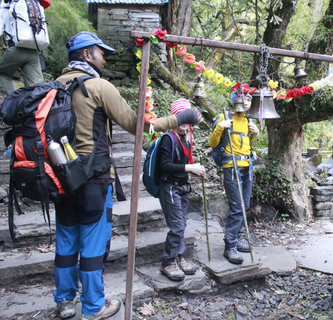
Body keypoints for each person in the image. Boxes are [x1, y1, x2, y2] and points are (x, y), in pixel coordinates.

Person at [53, 32, 203, 320]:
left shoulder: (54, 86)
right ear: (86, 55)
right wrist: (179, 119)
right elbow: (138, 126)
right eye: (100, 52)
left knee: (67, 240)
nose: (104, 58)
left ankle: (64, 301)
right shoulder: (98, 86)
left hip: (61, 177)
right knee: (93, 244)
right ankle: (94, 306)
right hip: (93, 178)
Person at [208, 91, 259, 264]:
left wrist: (255, 133)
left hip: (247, 166)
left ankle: (238, 238)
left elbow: (245, 143)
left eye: (248, 100)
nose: (245, 103)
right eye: (242, 99)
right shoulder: (225, 117)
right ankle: (230, 247)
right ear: (234, 101)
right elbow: (212, 143)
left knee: (244, 206)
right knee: (237, 207)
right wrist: (221, 127)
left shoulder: (249, 119)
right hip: (231, 167)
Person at [158, 98, 206, 281]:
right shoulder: (168, 139)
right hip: (169, 187)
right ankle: (168, 261)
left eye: (187, 119)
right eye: (181, 118)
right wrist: (190, 168)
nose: (185, 122)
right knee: (177, 226)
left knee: (182, 225)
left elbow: (185, 161)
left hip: (182, 187)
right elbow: (165, 166)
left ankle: (178, 257)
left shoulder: (187, 136)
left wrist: (196, 169)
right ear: (174, 118)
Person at [0, 0, 45, 95]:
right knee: (36, 86)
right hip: (33, 51)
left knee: (4, 73)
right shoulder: (30, 10)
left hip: (15, 49)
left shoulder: (1, 12)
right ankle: (34, 106)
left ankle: (12, 102)